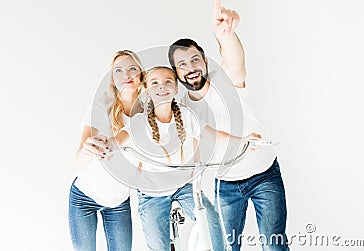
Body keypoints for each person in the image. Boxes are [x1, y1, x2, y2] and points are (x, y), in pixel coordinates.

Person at [168, 0, 289, 251]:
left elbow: (235, 59)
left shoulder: (226, 81)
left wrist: (225, 35)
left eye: (194, 60)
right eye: (182, 65)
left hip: (264, 174)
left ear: (205, 61)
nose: (190, 68)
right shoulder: (184, 109)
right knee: (226, 247)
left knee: (274, 245)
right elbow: (205, 136)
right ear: (177, 74)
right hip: (226, 184)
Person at [103, 66, 256, 251]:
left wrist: (242, 141)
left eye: (168, 81)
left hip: (182, 185)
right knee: (159, 246)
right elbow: (116, 141)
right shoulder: (138, 122)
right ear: (146, 90)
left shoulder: (186, 115)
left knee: (210, 221)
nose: (162, 86)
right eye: (155, 83)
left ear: (176, 88)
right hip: (153, 193)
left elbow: (212, 134)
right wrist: (102, 145)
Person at [68, 50, 145, 251]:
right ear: (112, 80)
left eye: (132, 68)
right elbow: (78, 163)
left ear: (141, 76)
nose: (126, 75)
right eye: (118, 70)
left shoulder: (148, 116)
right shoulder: (100, 108)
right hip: (84, 197)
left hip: (118, 202)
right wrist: (86, 151)